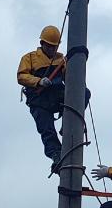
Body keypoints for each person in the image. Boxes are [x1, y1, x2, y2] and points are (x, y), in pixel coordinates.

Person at [16, 26, 88, 168]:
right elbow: (21, 76)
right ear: (42, 44)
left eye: (54, 47)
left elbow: (69, 79)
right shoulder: (30, 58)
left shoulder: (61, 60)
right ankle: (56, 154)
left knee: (84, 93)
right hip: (39, 99)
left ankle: (67, 123)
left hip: (56, 95)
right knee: (46, 129)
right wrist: (38, 81)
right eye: (49, 46)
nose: (51, 49)